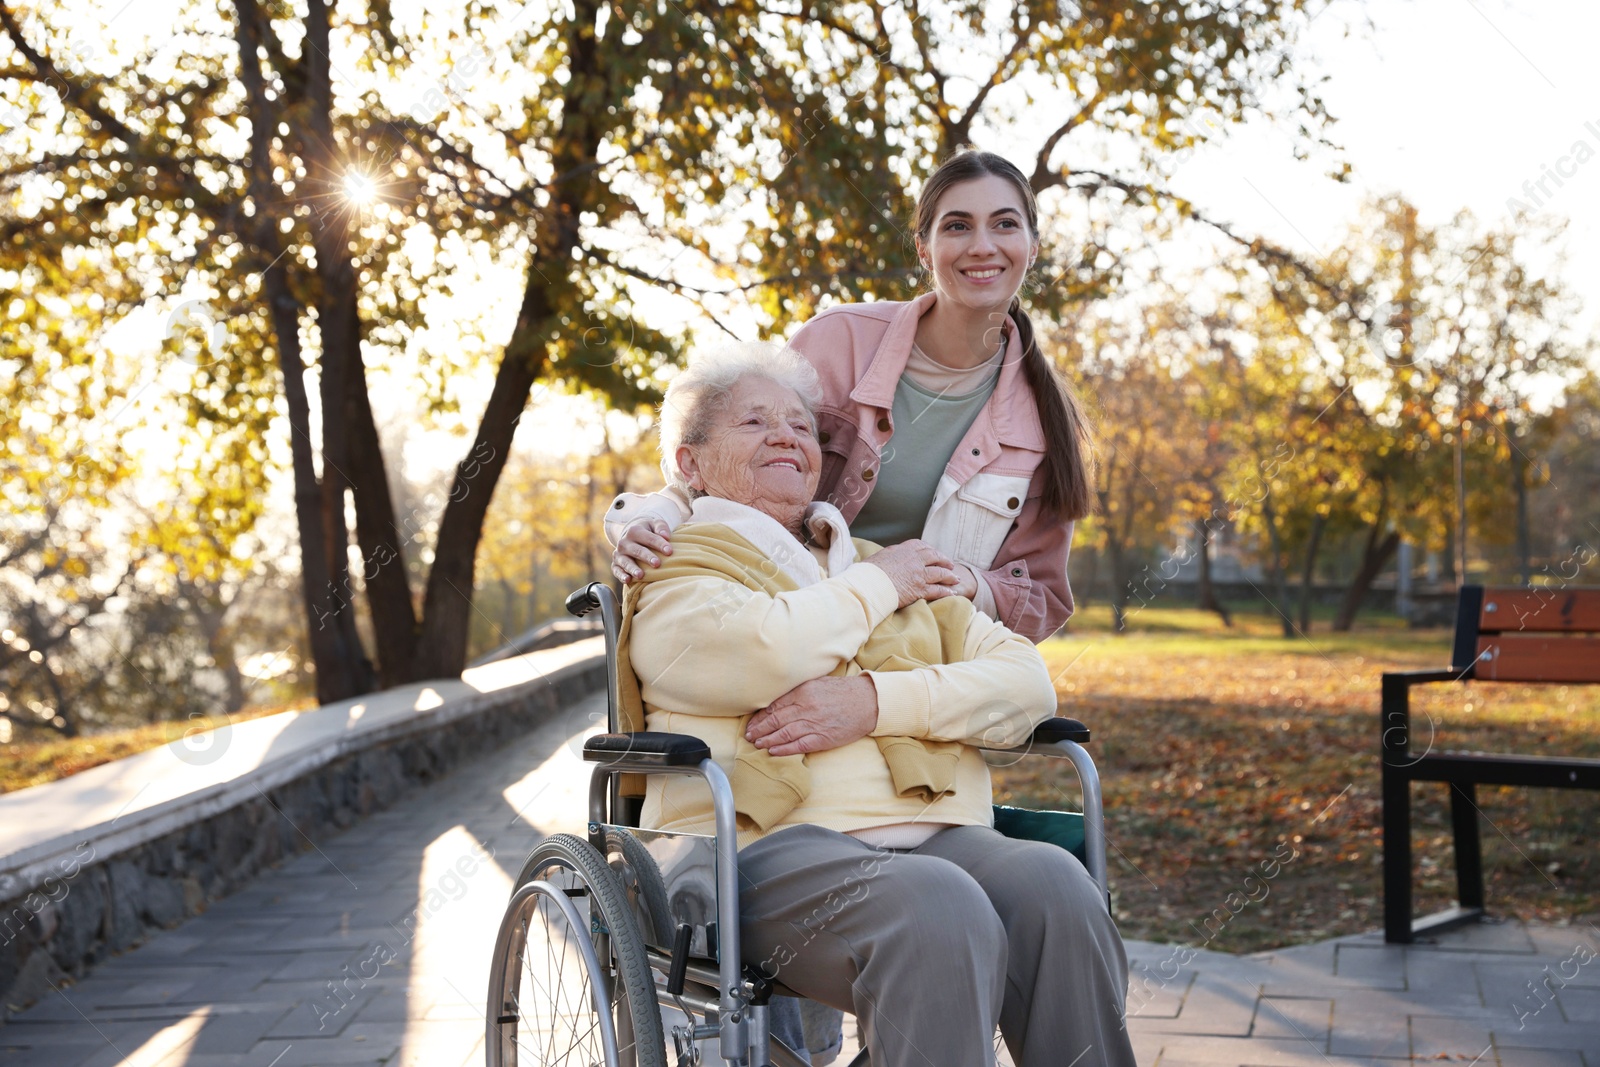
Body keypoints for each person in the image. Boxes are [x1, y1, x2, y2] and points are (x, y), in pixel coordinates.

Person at [618, 342, 1136, 1067]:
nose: (786, 435)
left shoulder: (877, 562)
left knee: (1056, 887)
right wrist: (881, 586)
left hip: (935, 831)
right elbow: (763, 652)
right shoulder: (677, 564)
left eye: (801, 426)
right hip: (757, 850)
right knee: (936, 909)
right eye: (754, 421)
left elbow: (1024, 683)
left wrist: (876, 700)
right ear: (691, 463)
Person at [608, 149, 1094, 646]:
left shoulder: (1043, 420)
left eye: (1005, 224)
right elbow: (733, 459)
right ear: (924, 249)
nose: (982, 246)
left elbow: (1043, 600)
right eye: (957, 226)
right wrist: (652, 519)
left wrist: (966, 583)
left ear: (1033, 246)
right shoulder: (837, 343)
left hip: (924, 656)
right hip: (791, 621)